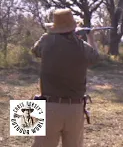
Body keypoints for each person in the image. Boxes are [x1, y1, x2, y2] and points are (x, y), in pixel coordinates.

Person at [30, 8, 100, 147]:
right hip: (75, 107)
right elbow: (96, 57)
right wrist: (90, 36)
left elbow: (35, 51)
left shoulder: (47, 40)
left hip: (47, 105)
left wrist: (49, 34)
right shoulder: (82, 46)